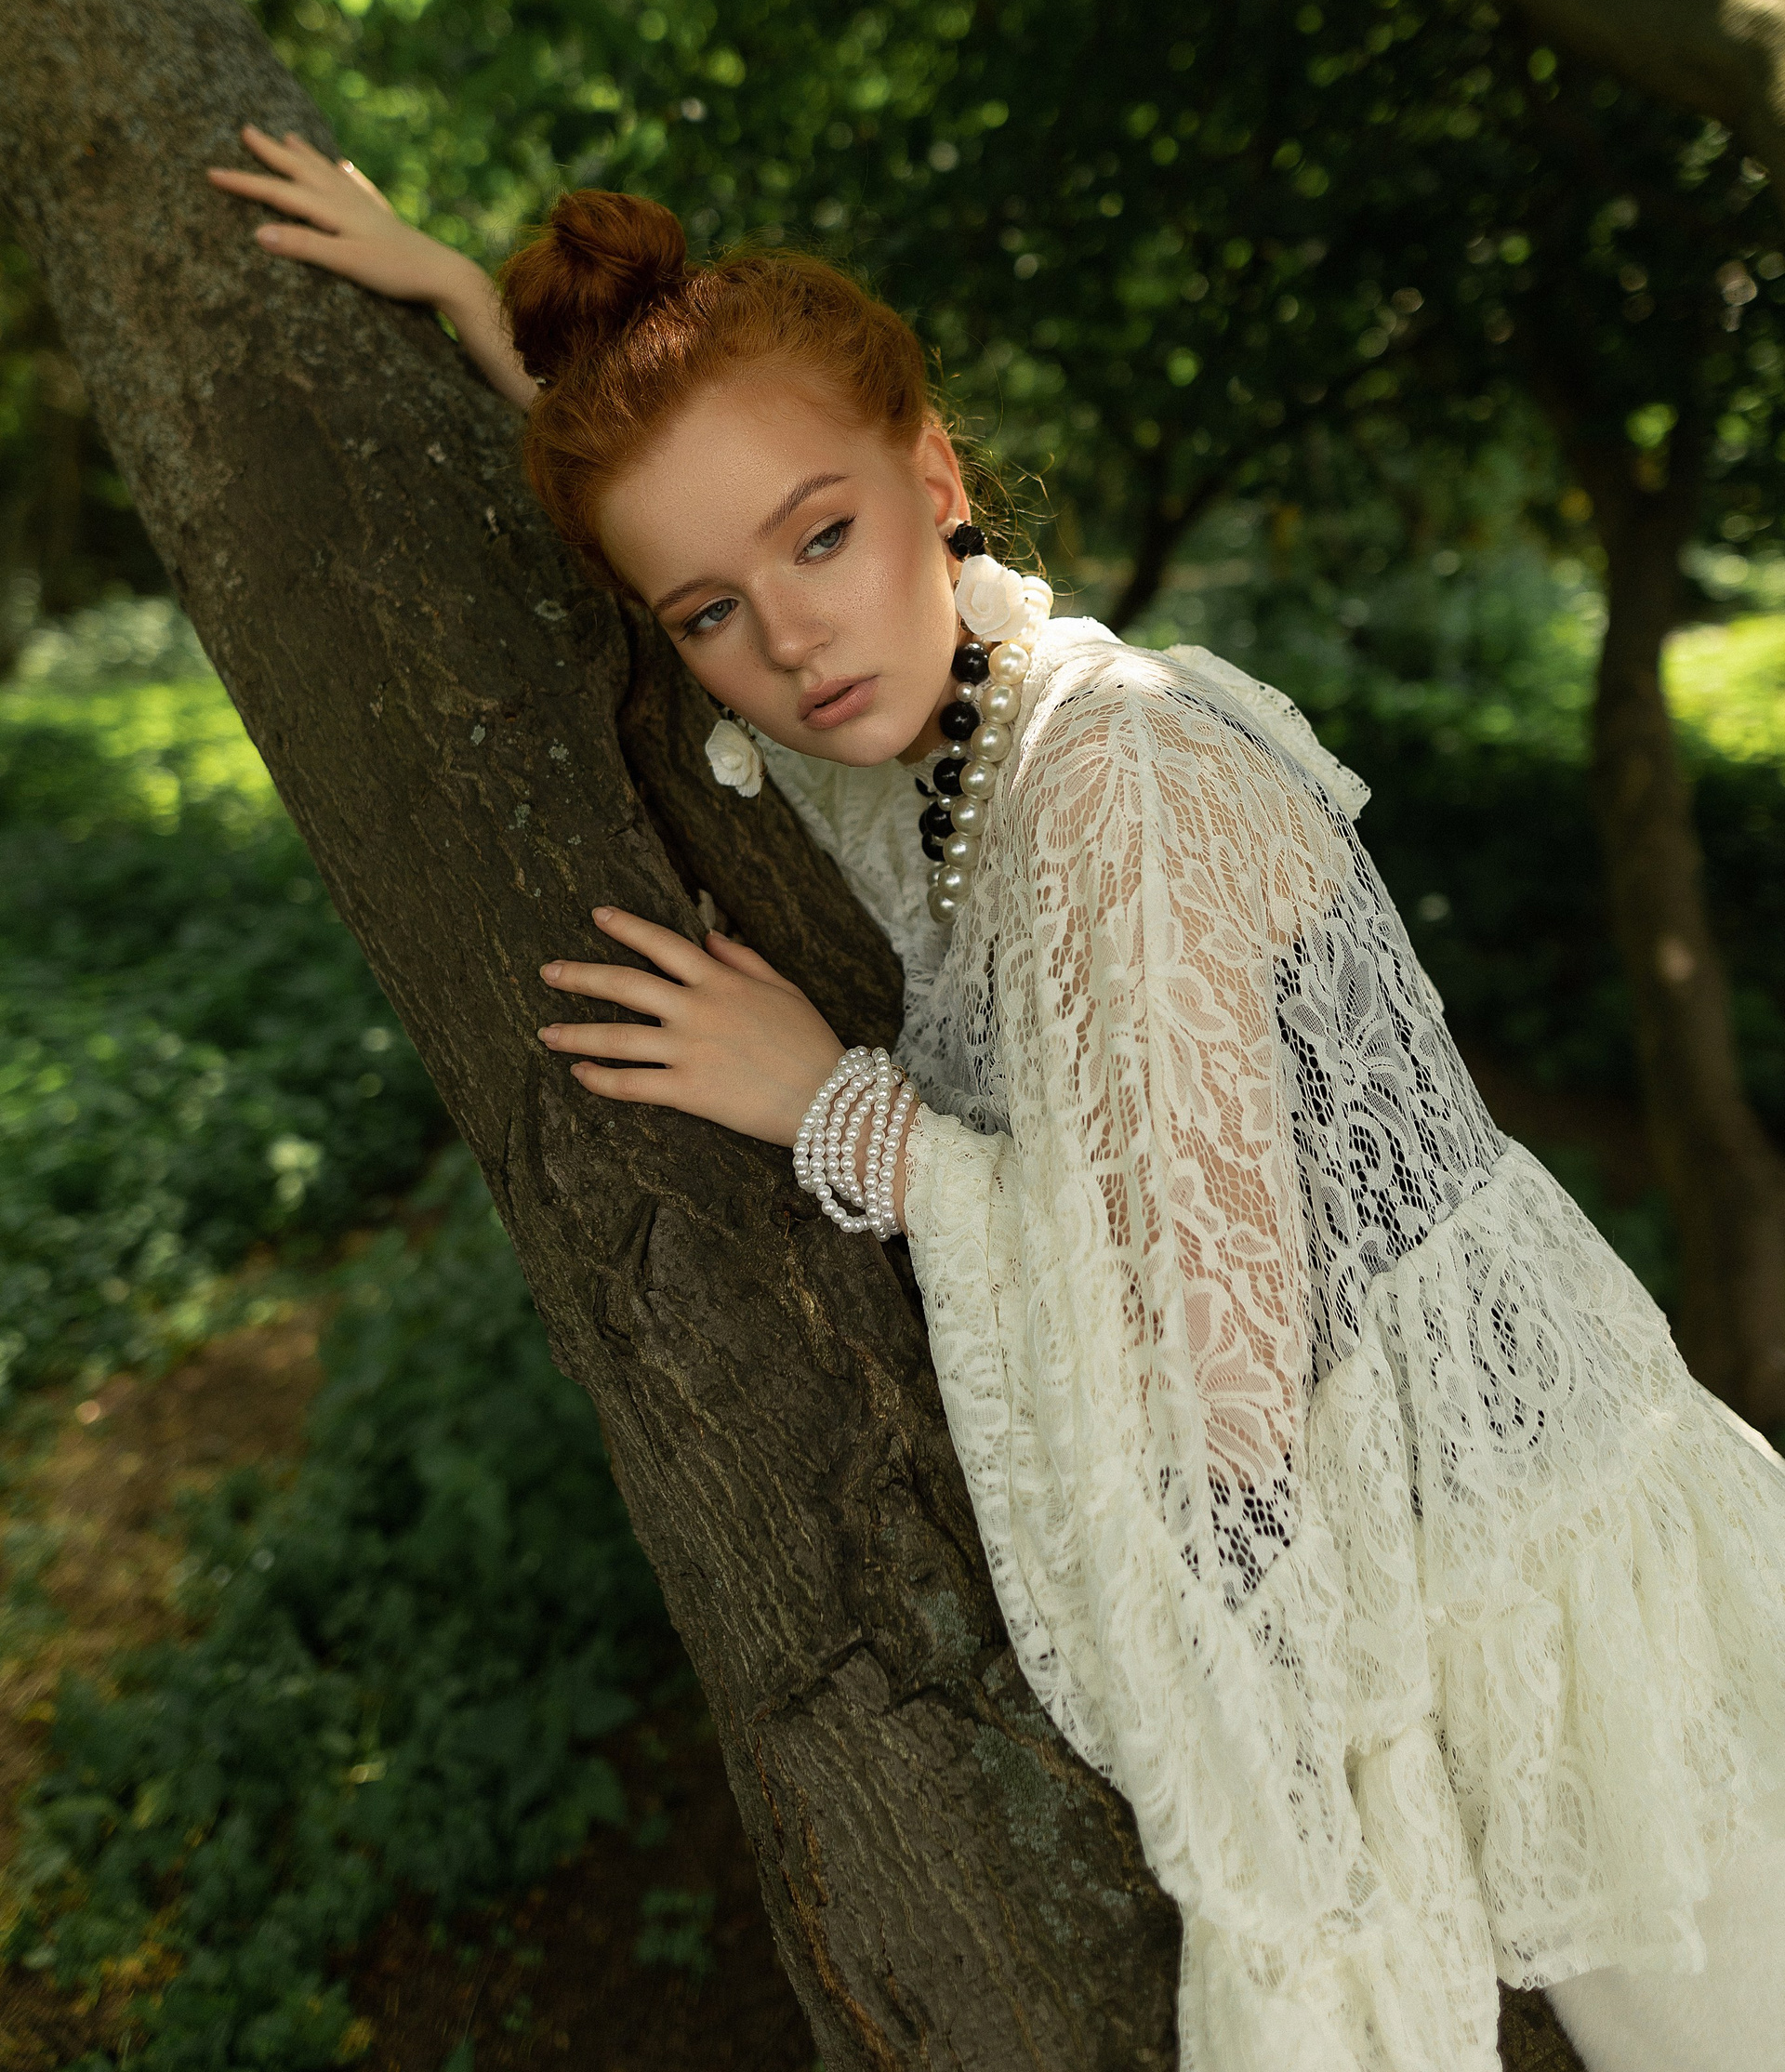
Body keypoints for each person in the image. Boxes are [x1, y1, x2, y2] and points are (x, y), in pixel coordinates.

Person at [208, 130, 1785, 2072]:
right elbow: (676, 498)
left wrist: (844, 1116)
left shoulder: (1114, 773)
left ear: (934, 479)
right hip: (1496, 1563)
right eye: (707, 615)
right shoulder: (964, 737)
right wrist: (473, 302)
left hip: (1576, 1593)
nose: (787, 640)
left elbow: (1221, 1399)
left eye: (821, 538)